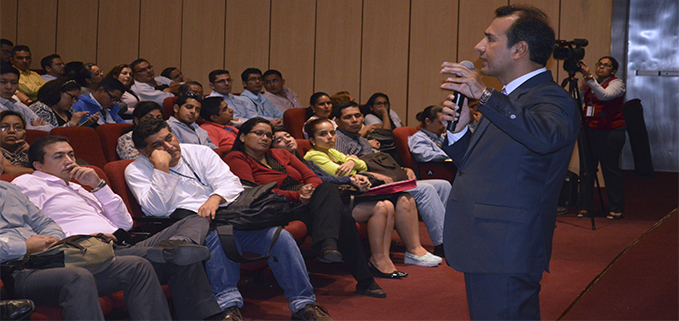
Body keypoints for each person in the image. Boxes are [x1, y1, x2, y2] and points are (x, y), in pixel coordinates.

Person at [438, 5, 580, 320]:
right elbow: (479, 167)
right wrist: (460, 131)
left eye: (489, 39)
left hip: (506, 247)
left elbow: (544, 138)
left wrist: (484, 96)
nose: (478, 46)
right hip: (487, 243)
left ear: (519, 50)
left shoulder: (551, 99)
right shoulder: (509, 99)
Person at [125, 118, 334, 320]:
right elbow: (156, 209)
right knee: (216, 234)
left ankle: (304, 304)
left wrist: (215, 198)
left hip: (232, 217)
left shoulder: (200, 152)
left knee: (280, 238)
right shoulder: (136, 170)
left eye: (169, 138)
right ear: (143, 151)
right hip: (192, 230)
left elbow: (232, 183)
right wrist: (161, 169)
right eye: (158, 145)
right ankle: (228, 308)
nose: (169, 146)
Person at [12, 135, 229, 321]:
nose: (69, 161)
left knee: (195, 220)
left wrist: (98, 186)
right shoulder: (28, 184)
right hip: (88, 251)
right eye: (59, 156)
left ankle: (181, 243)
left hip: (123, 242)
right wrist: (85, 237)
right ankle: (198, 300)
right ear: (38, 166)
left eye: (70, 154)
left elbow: (125, 223)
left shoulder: (80, 186)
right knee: (177, 259)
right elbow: (29, 226)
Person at [225, 117, 389, 295]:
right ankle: (358, 273)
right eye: (258, 133)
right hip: (274, 208)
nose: (265, 138)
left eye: (268, 135)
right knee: (343, 217)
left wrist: (307, 192)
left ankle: (330, 246)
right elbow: (255, 192)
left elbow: (312, 177)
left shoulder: (281, 154)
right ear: (242, 137)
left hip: (304, 202)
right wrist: (297, 195)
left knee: (326, 189)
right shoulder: (237, 158)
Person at [0, 177, 174, 320]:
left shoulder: (9, 190)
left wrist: (50, 240)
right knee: (76, 277)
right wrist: (24, 247)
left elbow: (45, 222)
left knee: (136, 266)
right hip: (14, 271)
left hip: (49, 257)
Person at [301, 118, 441, 271]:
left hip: (359, 193)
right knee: (385, 205)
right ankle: (380, 259)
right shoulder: (314, 156)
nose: (330, 137)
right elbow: (340, 175)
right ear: (312, 140)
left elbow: (363, 164)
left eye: (332, 133)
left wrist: (353, 163)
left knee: (405, 198)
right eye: (323, 134)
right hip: (341, 200)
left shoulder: (331, 151)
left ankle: (414, 250)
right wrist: (351, 162)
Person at [333, 101, 450, 257]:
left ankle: (450, 236)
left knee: (443, 185)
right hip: (370, 186)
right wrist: (373, 176)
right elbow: (342, 171)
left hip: (387, 179)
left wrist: (404, 169)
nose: (354, 120)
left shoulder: (361, 139)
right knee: (425, 189)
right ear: (337, 121)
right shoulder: (338, 140)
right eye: (348, 117)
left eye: (357, 115)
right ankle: (442, 244)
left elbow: (374, 163)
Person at [577, 56, 626, 220]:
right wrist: (584, 86)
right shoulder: (592, 82)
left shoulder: (617, 84)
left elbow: (604, 95)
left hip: (610, 132)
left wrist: (590, 78)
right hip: (590, 130)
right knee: (587, 170)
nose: (601, 67)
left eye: (606, 65)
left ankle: (616, 208)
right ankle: (584, 207)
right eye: (599, 64)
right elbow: (580, 100)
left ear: (612, 70)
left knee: (610, 170)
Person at [0, 63, 50, 132]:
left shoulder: (19, 106)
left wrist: (29, 129)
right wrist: (33, 129)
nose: (9, 87)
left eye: (14, 83)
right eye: (3, 82)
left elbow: (49, 128)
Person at [30, 78, 98, 128]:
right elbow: (49, 136)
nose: (74, 101)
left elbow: (73, 133)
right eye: (72, 97)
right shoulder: (40, 108)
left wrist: (87, 124)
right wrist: (72, 123)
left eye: (76, 98)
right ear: (58, 92)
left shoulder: (69, 110)